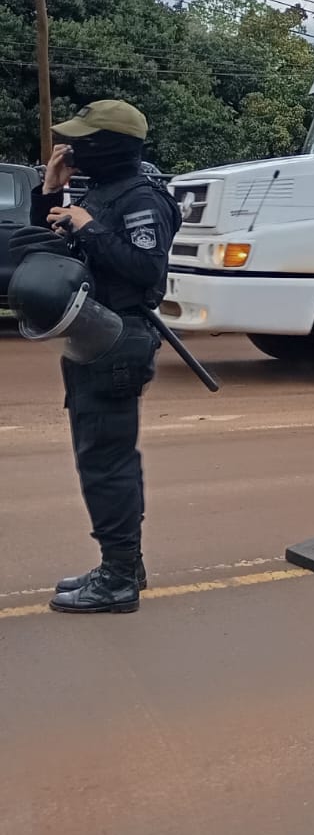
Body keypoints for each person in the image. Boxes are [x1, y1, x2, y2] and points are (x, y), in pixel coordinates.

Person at [6, 101, 180, 614]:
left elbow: (148, 270)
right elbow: (44, 250)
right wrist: (51, 193)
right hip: (93, 336)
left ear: (110, 145)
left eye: (83, 140)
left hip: (119, 338)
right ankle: (124, 564)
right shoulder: (100, 193)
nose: (73, 146)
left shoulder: (141, 197)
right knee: (102, 458)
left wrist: (88, 227)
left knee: (106, 463)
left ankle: (119, 578)